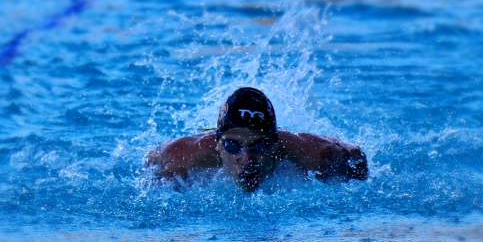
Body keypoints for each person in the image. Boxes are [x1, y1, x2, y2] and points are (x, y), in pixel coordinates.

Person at [146, 87, 368, 192]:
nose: (247, 157)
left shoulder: (317, 154)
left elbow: (356, 155)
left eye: (259, 145)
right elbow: (152, 161)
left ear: (275, 143)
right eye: (233, 146)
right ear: (217, 143)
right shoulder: (180, 156)